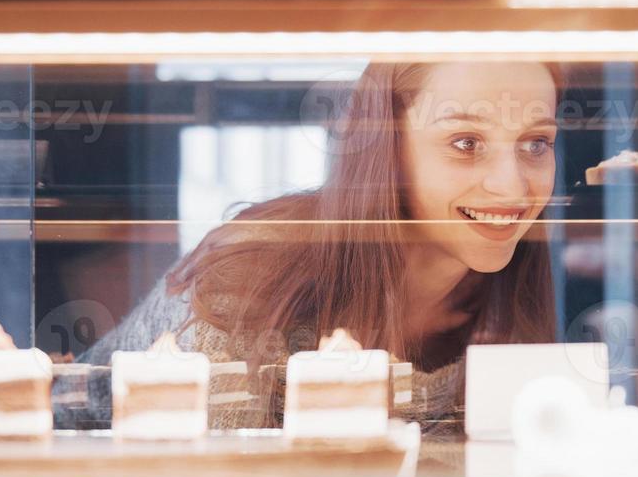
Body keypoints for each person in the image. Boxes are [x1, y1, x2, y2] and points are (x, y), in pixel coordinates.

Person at [66, 61, 561, 429]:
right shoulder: (251, 278)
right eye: (466, 143)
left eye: (536, 144)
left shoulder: (511, 292)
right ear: (385, 146)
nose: (513, 187)